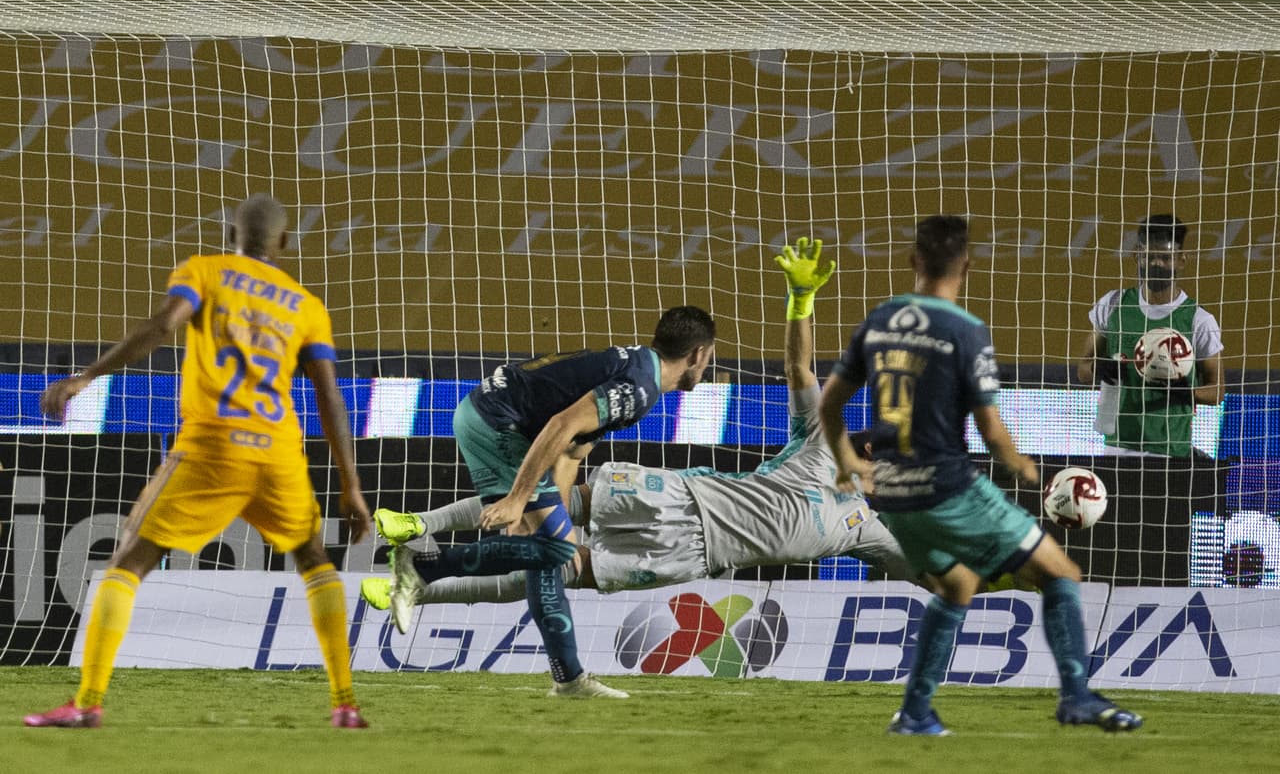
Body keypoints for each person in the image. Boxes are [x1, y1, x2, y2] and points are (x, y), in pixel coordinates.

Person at [363, 239, 914, 611]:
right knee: (563, 509)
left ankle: (417, 589)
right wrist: (801, 300)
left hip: (691, 556)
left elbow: (936, 576)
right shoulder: (822, 441)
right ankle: (418, 525)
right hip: (680, 494)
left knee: (560, 569)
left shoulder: (867, 530)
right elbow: (800, 369)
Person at [25, 194, 373, 729]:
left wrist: (87, 376)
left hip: (213, 443)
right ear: (284, 243)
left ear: (231, 236)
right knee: (313, 559)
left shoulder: (205, 271)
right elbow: (330, 397)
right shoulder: (307, 306)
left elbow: (163, 326)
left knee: (128, 562)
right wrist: (351, 485)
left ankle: (87, 702)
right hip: (278, 450)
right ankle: (345, 703)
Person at [818, 214, 1142, 736]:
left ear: (912, 260)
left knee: (958, 585)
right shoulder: (964, 330)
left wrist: (845, 462)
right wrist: (1019, 463)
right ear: (966, 266)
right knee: (1061, 575)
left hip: (893, 495)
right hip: (948, 489)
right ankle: (1077, 697)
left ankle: (916, 713)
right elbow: (990, 428)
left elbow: (829, 404)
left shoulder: (879, 319)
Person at [388, 303, 716, 698]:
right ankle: (421, 567)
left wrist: (551, 518)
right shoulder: (640, 389)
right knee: (557, 549)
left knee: (549, 552)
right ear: (698, 354)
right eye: (709, 357)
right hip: (497, 423)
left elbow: (571, 453)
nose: (707, 365)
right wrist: (518, 500)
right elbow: (562, 425)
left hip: (485, 414)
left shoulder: (634, 367)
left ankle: (569, 679)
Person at [1077, 214, 1224, 456]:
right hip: (1117, 446)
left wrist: (1185, 393)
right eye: (1148, 256)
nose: (1156, 263)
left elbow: (1217, 391)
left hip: (1171, 450)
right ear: (1137, 255)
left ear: (1181, 260)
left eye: (1165, 258)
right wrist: (1099, 369)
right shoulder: (1112, 304)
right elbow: (1083, 370)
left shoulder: (1198, 319)